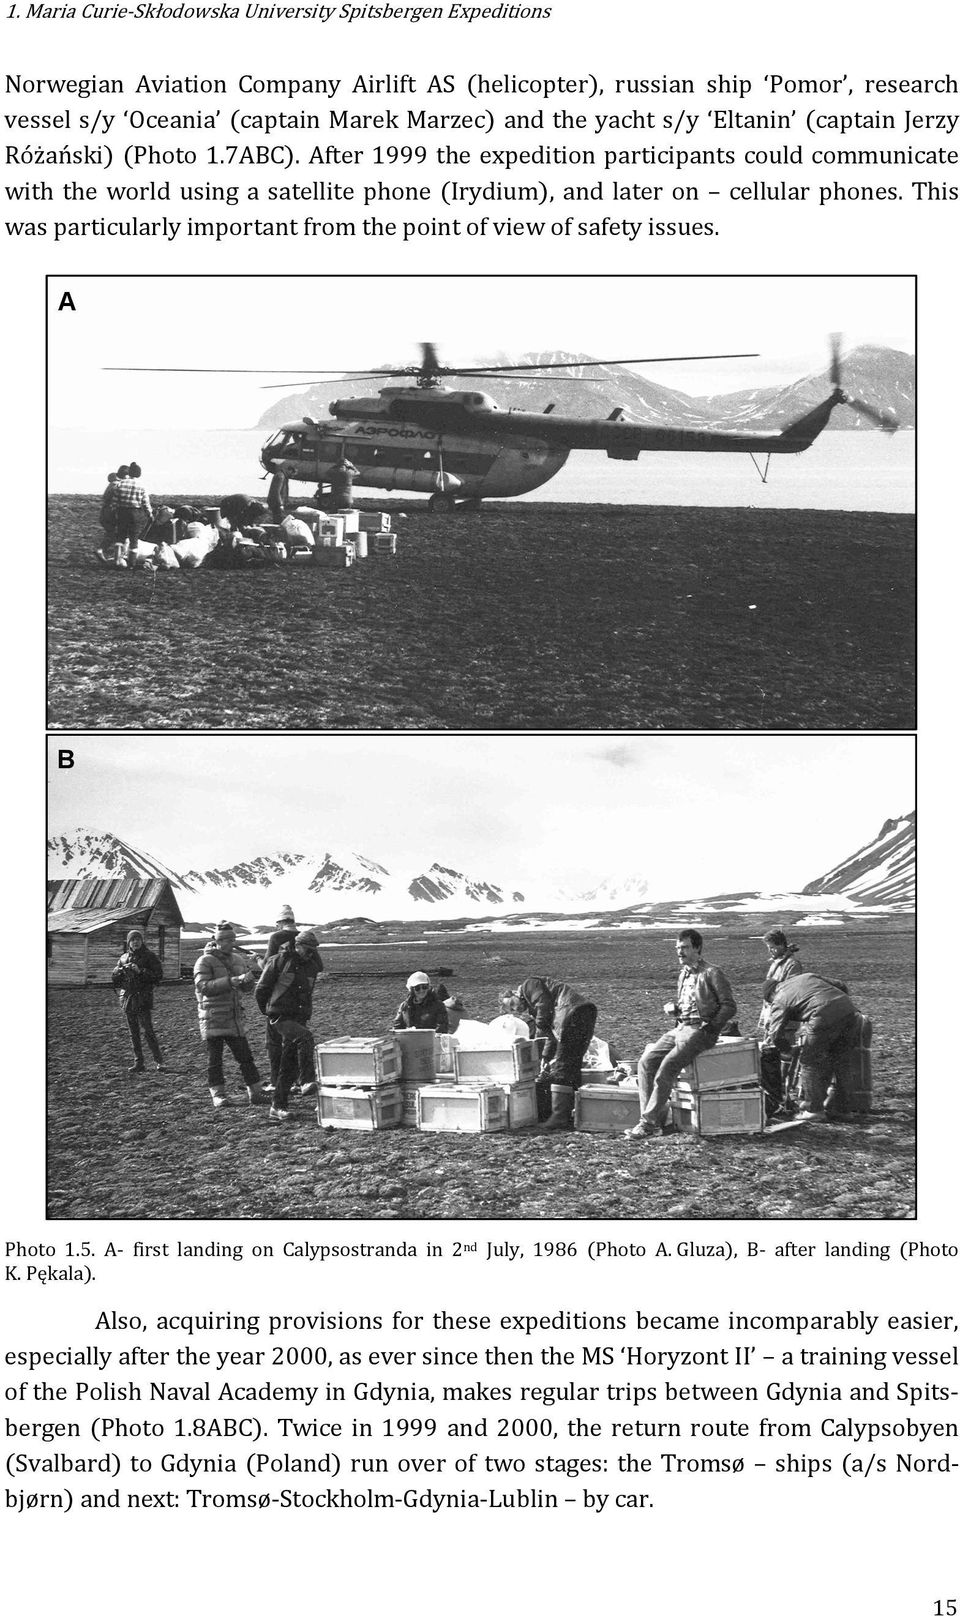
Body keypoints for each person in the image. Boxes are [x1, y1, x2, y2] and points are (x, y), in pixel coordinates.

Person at [627, 929, 737, 1139]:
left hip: (700, 1030)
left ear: (697, 948)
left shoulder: (712, 972)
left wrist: (711, 1028)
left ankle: (648, 1124)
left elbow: (729, 1006)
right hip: (681, 1027)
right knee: (646, 1062)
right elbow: (691, 1003)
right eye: (678, 948)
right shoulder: (684, 973)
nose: (680, 952)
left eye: (685, 947)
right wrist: (675, 1009)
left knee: (667, 1068)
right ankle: (655, 1121)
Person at [502, 977, 598, 1131]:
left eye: (513, 1004)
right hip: (584, 1012)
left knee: (562, 1066)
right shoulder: (537, 1007)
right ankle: (573, 1112)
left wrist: (538, 1028)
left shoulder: (529, 984)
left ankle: (559, 1116)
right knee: (572, 1063)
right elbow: (551, 1035)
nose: (516, 1009)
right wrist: (545, 1057)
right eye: (512, 1010)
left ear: (514, 993)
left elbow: (543, 1006)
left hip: (572, 1013)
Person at [764, 973, 861, 1121]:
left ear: (771, 994)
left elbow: (775, 1032)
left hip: (822, 1015)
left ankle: (813, 1109)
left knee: (809, 1062)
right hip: (850, 1012)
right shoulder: (806, 977)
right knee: (842, 1062)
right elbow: (841, 985)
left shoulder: (779, 998)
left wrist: (786, 1050)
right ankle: (842, 1110)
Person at [193, 923, 266, 1109]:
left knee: (246, 1057)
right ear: (218, 941)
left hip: (234, 1016)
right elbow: (203, 987)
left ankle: (256, 1093)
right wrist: (231, 981)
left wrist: (248, 983)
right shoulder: (204, 961)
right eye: (227, 940)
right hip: (212, 1016)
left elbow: (245, 989)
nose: (231, 943)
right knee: (214, 1060)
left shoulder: (237, 960)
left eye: (233, 939)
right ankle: (218, 1095)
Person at [255, 929, 324, 1122]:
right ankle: (307, 1080)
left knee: (288, 1064)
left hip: (298, 1017)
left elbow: (318, 969)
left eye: (313, 951)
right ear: (297, 945)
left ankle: (278, 1106)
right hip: (281, 1016)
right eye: (307, 950)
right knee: (305, 1037)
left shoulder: (310, 966)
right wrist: (269, 1011)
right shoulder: (279, 961)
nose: (310, 954)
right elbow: (261, 989)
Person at [757, 929, 804, 1116]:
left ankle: (784, 1092)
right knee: (770, 1051)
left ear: (781, 945)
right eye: (768, 948)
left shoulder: (792, 965)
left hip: (785, 1015)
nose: (771, 951)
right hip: (772, 1013)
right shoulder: (776, 964)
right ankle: (775, 1092)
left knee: (783, 1051)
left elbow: (790, 990)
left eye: (773, 947)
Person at [110, 928, 164, 1073]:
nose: (135, 942)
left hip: (143, 998)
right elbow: (116, 981)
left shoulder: (150, 957)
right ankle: (139, 1062)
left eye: (138, 939)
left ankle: (159, 1062)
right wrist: (118, 972)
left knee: (148, 1031)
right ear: (129, 942)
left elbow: (158, 975)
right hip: (128, 998)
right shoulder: (123, 958)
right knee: (133, 1032)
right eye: (133, 940)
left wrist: (140, 971)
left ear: (142, 941)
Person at [113, 461, 153, 547]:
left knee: (120, 538)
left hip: (122, 513)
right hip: (135, 514)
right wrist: (150, 514)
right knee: (134, 540)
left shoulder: (120, 484)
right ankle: (131, 560)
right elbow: (146, 503)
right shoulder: (142, 486)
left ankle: (117, 559)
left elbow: (114, 502)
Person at [97, 471, 120, 559]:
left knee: (111, 533)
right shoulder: (116, 485)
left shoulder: (110, 486)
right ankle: (101, 550)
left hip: (105, 512)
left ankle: (103, 551)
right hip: (111, 512)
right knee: (113, 534)